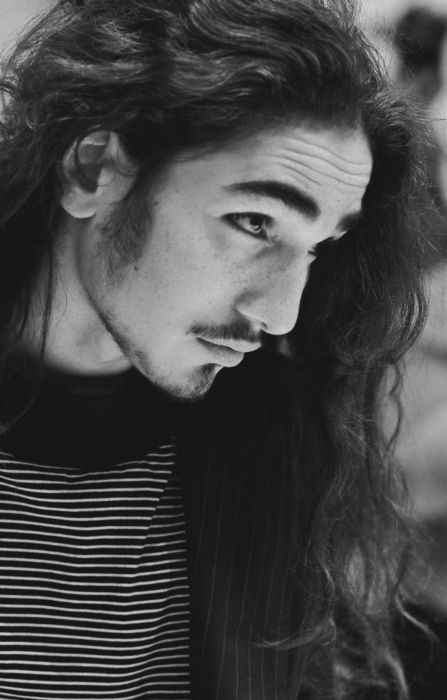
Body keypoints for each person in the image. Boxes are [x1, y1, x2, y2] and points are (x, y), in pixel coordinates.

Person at [0, 0, 431, 697]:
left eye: (317, 248)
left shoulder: (272, 442)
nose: (280, 313)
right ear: (93, 170)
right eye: (254, 222)